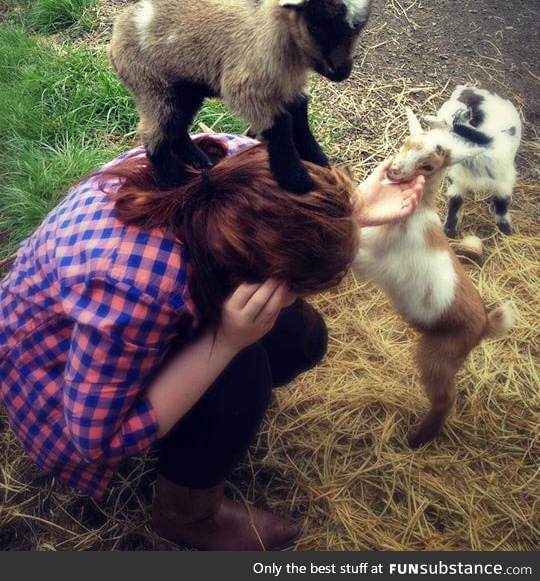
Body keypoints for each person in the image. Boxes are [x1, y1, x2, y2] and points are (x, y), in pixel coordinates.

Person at [0, 133, 424, 551]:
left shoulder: (231, 163)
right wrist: (224, 342)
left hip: (117, 329)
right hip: (55, 387)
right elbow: (92, 441)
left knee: (297, 336)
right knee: (243, 373)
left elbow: (279, 216)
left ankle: (199, 427)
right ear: (253, 271)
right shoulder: (137, 290)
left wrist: (348, 214)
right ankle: (187, 513)